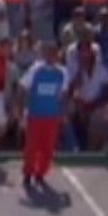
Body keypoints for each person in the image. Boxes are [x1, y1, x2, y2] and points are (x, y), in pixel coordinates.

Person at [16, 41, 68, 188]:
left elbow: (63, 94)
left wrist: (63, 113)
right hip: (35, 115)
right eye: (48, 53)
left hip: (52, 116)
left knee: (48, 147)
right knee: (32, 147)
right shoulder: (36, 70)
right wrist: (20, 109)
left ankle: (41, 173)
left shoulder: (62, 72)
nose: (51, 56)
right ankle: (28, 173)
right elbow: (22, 88)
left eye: (54, 53)